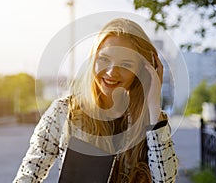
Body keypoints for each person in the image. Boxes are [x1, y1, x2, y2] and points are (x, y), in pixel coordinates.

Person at [13, 18, 178, 183]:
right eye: (104, 59)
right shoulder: (64, 111)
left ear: (141, 71)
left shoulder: (153, 120)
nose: (112, 72)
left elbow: (166, 180)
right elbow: (27, 177)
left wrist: (154, 106)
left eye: (126, 64)